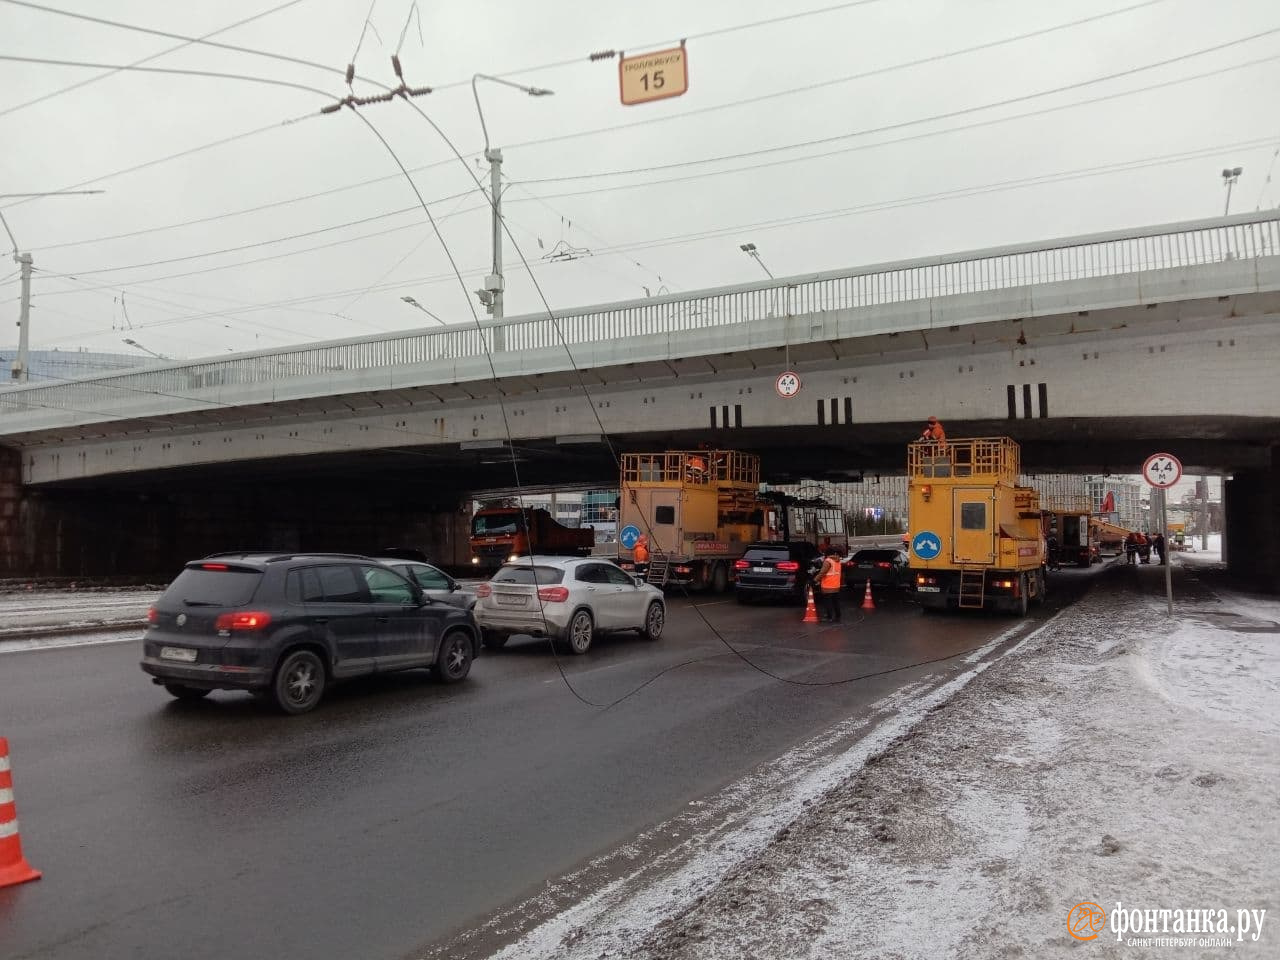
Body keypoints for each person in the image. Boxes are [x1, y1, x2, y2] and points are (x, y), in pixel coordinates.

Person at [816, 549, 843, 623]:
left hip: (828, 586)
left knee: (828, 602)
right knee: (835, 601)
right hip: (836, 585)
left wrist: (815, 580)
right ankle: (838, 615)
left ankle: (829, 617)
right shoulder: (837, 561)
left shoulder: (828, 561)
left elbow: (822, 573)